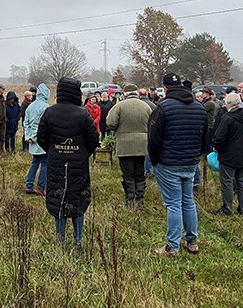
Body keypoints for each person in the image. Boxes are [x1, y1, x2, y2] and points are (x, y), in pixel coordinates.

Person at [37, 78, 99, 250]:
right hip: (78, 163)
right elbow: (93, 139)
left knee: (58, 197)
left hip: (56, 161)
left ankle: (60, 239)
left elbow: (41, 138)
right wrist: (82, 153)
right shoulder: (83, 113)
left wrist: (54, 151)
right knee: (78, 198)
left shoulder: (50, 112)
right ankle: (77, 240)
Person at [149, 73, 207, 256]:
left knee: (174, 204)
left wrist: (154, 160)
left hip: (168, 163)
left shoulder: (163, 107)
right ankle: (192, 241)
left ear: (165, 88)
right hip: (190, 163)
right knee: (188, 201)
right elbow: (205, 137)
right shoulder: (199, 108)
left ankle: (172, 246)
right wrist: (195, 155)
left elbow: (154, 138)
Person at [107, 84, 152, 208]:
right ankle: (140, 201)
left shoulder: (120, 106)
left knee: (127, 173)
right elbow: (152, 123)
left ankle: (129, 201)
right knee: (139, 172)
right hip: (142, 144)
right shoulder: (146, 106)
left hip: (124, 145)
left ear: (124, 93)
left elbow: (110, 123)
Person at [212, 93, 243, 216]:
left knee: (227, 181)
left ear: (229, 104)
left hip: (228, 155)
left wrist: (216, 147)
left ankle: (227, 208)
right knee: (242, 181)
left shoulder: (227, 118)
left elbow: (219, 137)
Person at [24, 84, 50, 195]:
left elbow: (26, 123)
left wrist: (28, 136)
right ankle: (41, 187)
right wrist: (34, 137)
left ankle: (29, 185)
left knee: (35, 162)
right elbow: (41, 125)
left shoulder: (31, 106)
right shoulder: (45, 107)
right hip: (41, 139)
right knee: (44, 162)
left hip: (32, 139)